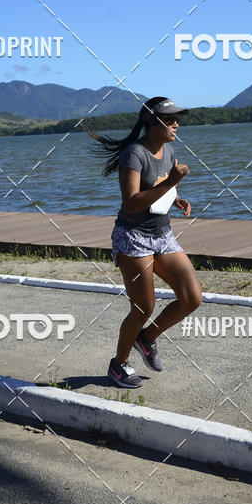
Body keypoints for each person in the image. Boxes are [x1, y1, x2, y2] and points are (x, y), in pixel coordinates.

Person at [90, 97, 202, 388]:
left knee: (192, 298)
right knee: (143, 308)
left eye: (178, 118)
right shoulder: (134, 154)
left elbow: (154, 188)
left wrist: (173, 197)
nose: (176, 123)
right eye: (170, 118)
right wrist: (169, 184)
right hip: (133, 238)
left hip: (162, 235)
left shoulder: (168, 150)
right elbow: (131, 203)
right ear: (152, 123)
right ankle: (118, 365)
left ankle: (147, 337)